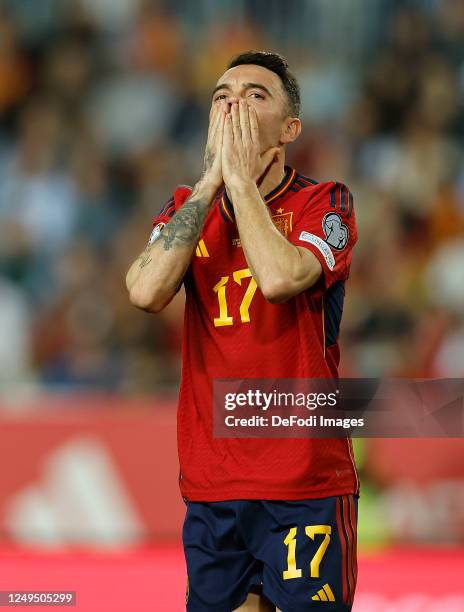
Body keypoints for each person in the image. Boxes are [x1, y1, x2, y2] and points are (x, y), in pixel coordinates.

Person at [126, 50, 359, 612]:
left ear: (289, 128)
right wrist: (211, 182)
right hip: (213, 484)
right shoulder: (186, 208)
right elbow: (144, 291)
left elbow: (281, 278)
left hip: (304, 482)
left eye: (255, 95)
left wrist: (240, 181)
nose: (234, 106)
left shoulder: (324, 202)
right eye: (222, 98)